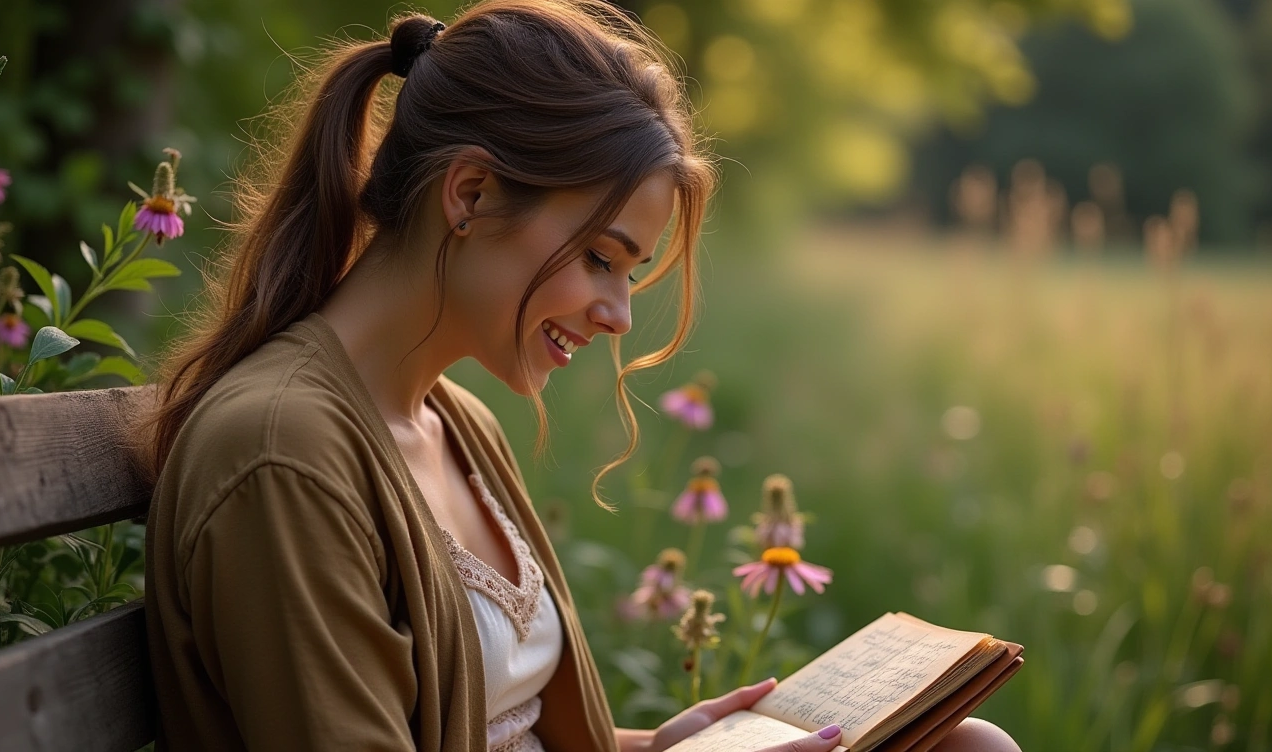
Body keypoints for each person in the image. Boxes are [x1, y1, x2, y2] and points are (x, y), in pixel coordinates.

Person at [136, 1, 1021, 750]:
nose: (618, 314)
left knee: (967, 743)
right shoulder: (283, 454)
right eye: (601, 256)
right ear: (472, 195)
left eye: (629, 271)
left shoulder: (453, 423)